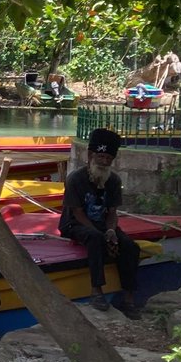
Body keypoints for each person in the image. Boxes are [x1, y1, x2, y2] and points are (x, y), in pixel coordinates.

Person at [58, 128, 140, 315]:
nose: (103, 162)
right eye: (100, 157)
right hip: (75, 224)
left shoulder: (113, 181)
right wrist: (103, 235)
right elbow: (77, 213)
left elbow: (112, 213)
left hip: (103, 224)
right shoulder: (76, 179)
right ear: (90, 155)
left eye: (108, 159)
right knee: (95, 239)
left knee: (130, 246)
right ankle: (97, 291)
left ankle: (128, 298)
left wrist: (111, 231)